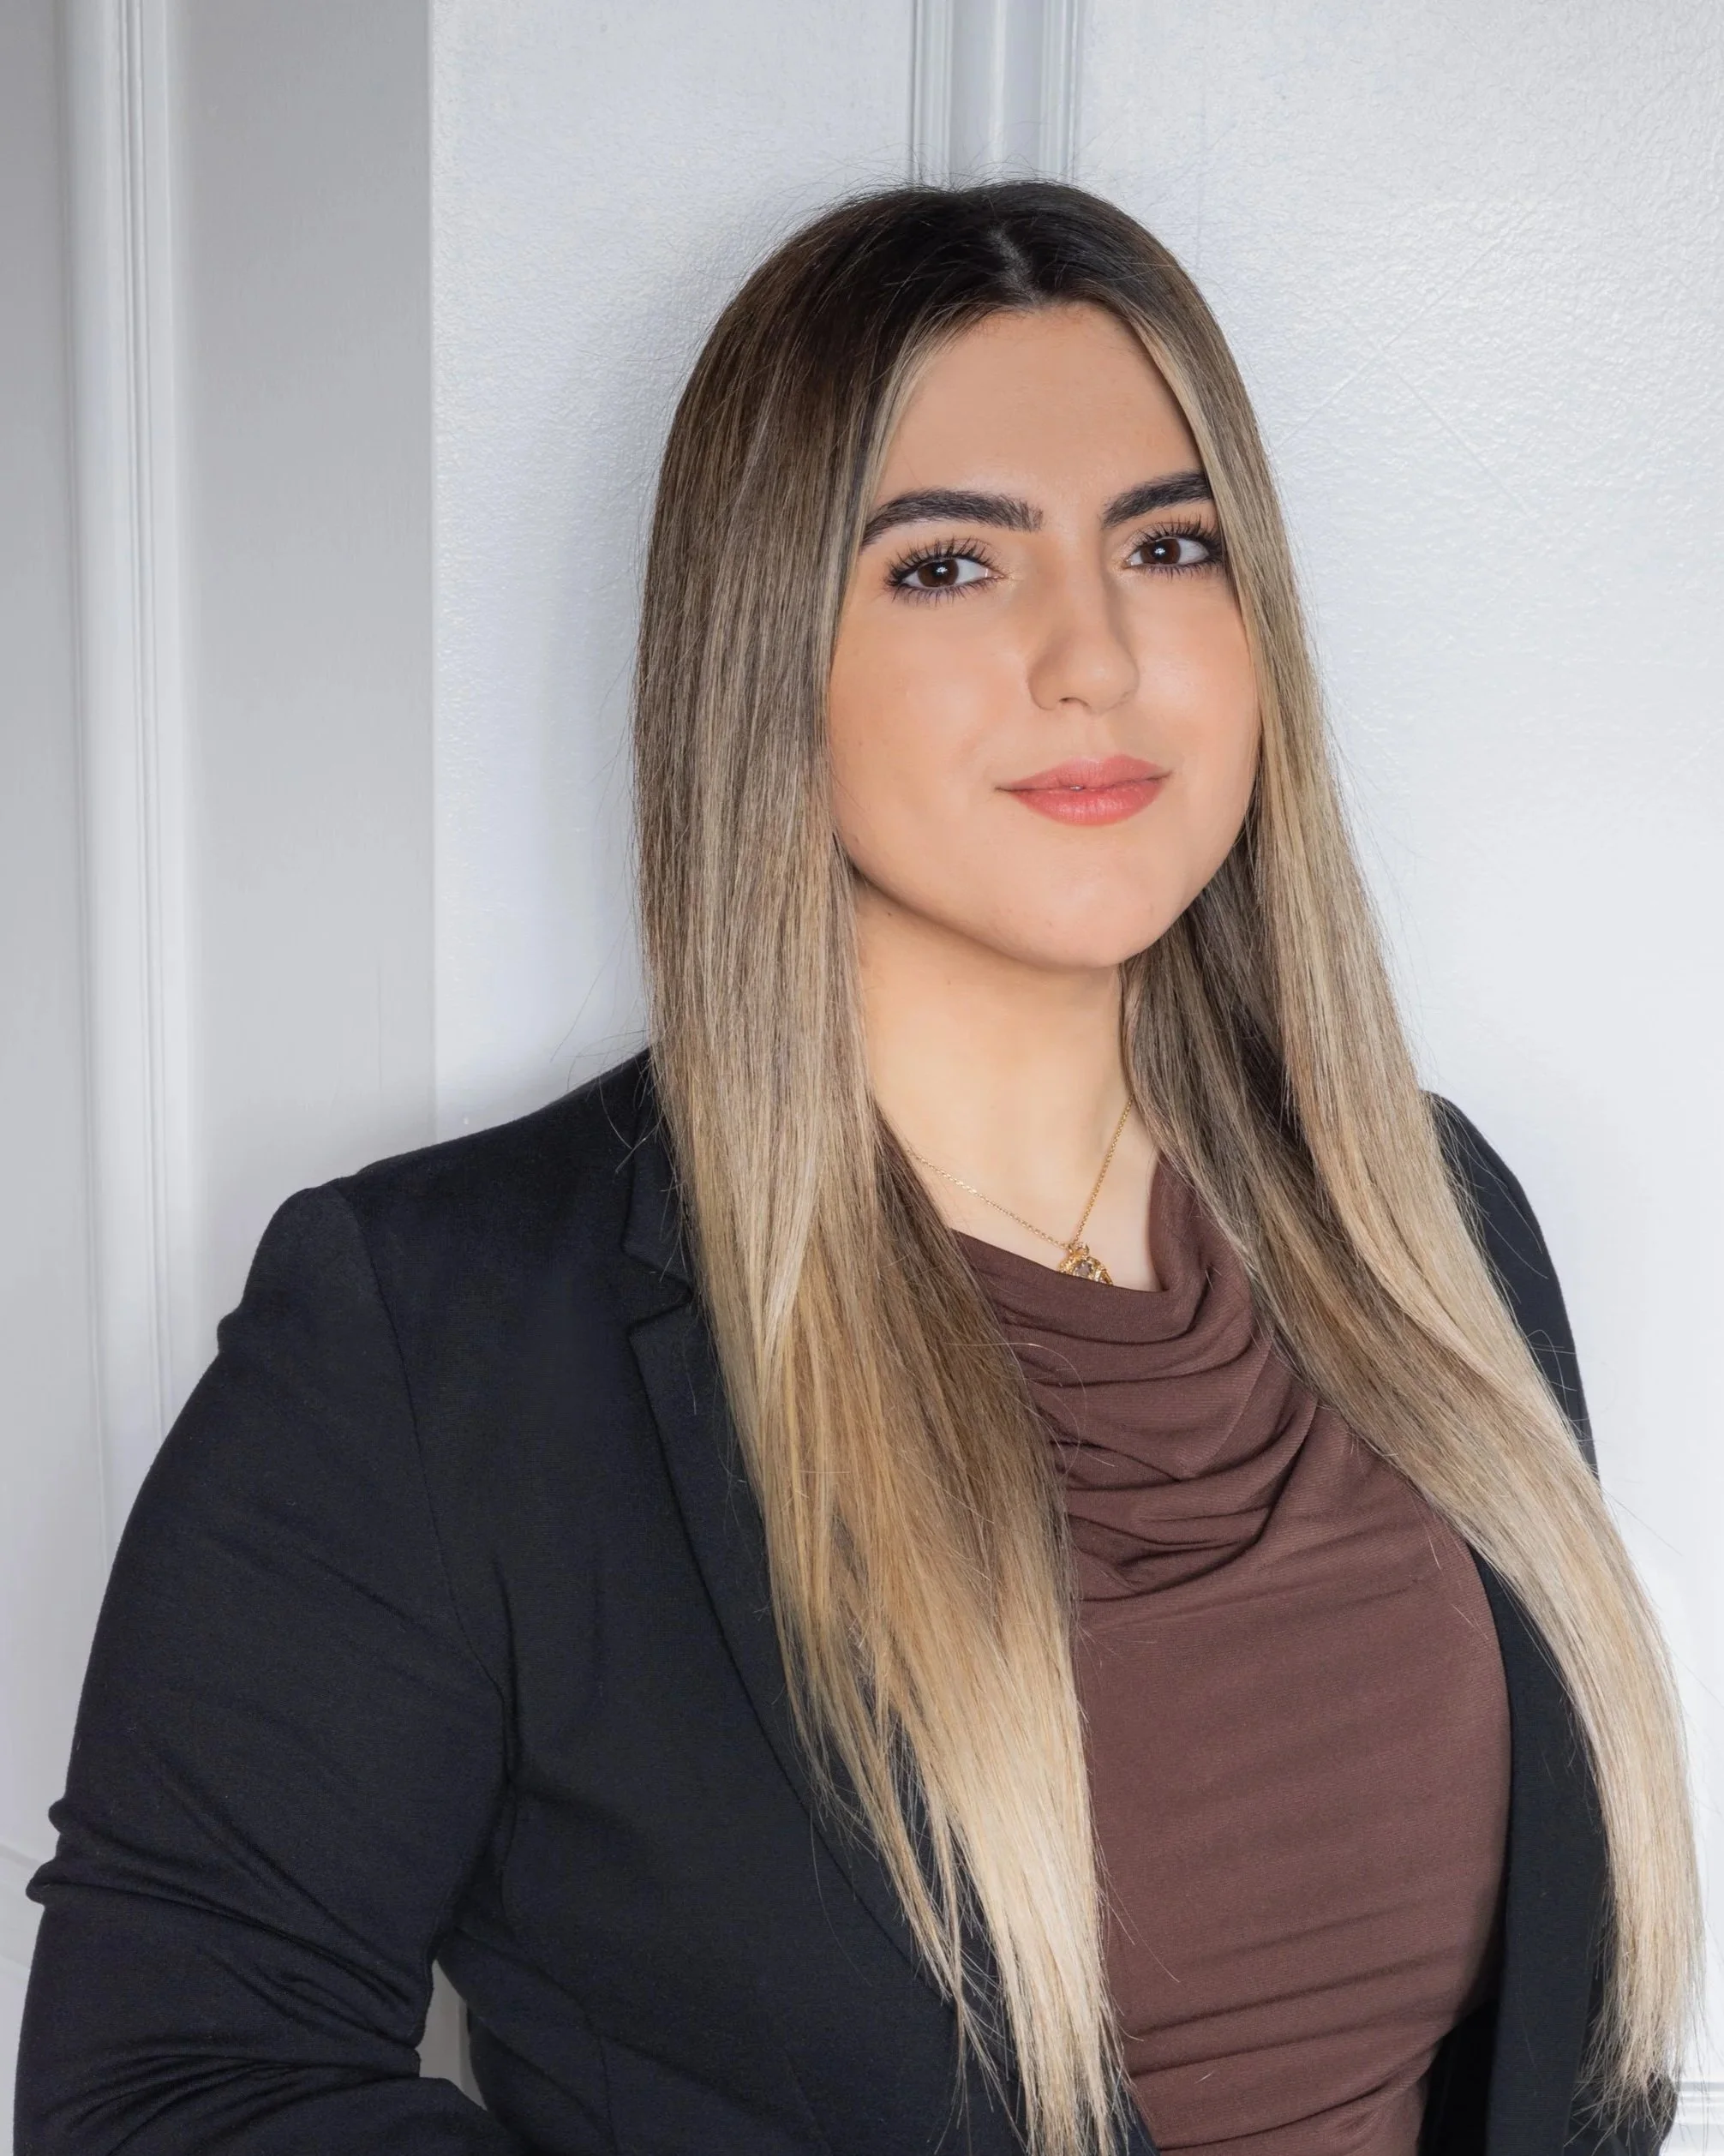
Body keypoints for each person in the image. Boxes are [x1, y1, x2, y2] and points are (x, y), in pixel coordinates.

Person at [16, 183, 1697, 2156]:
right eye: (945, 570)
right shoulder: (437, 1339)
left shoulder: (1433, 1222)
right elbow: (176, 2093)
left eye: (1170, 544)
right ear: (764, 652)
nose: (1093, 656)